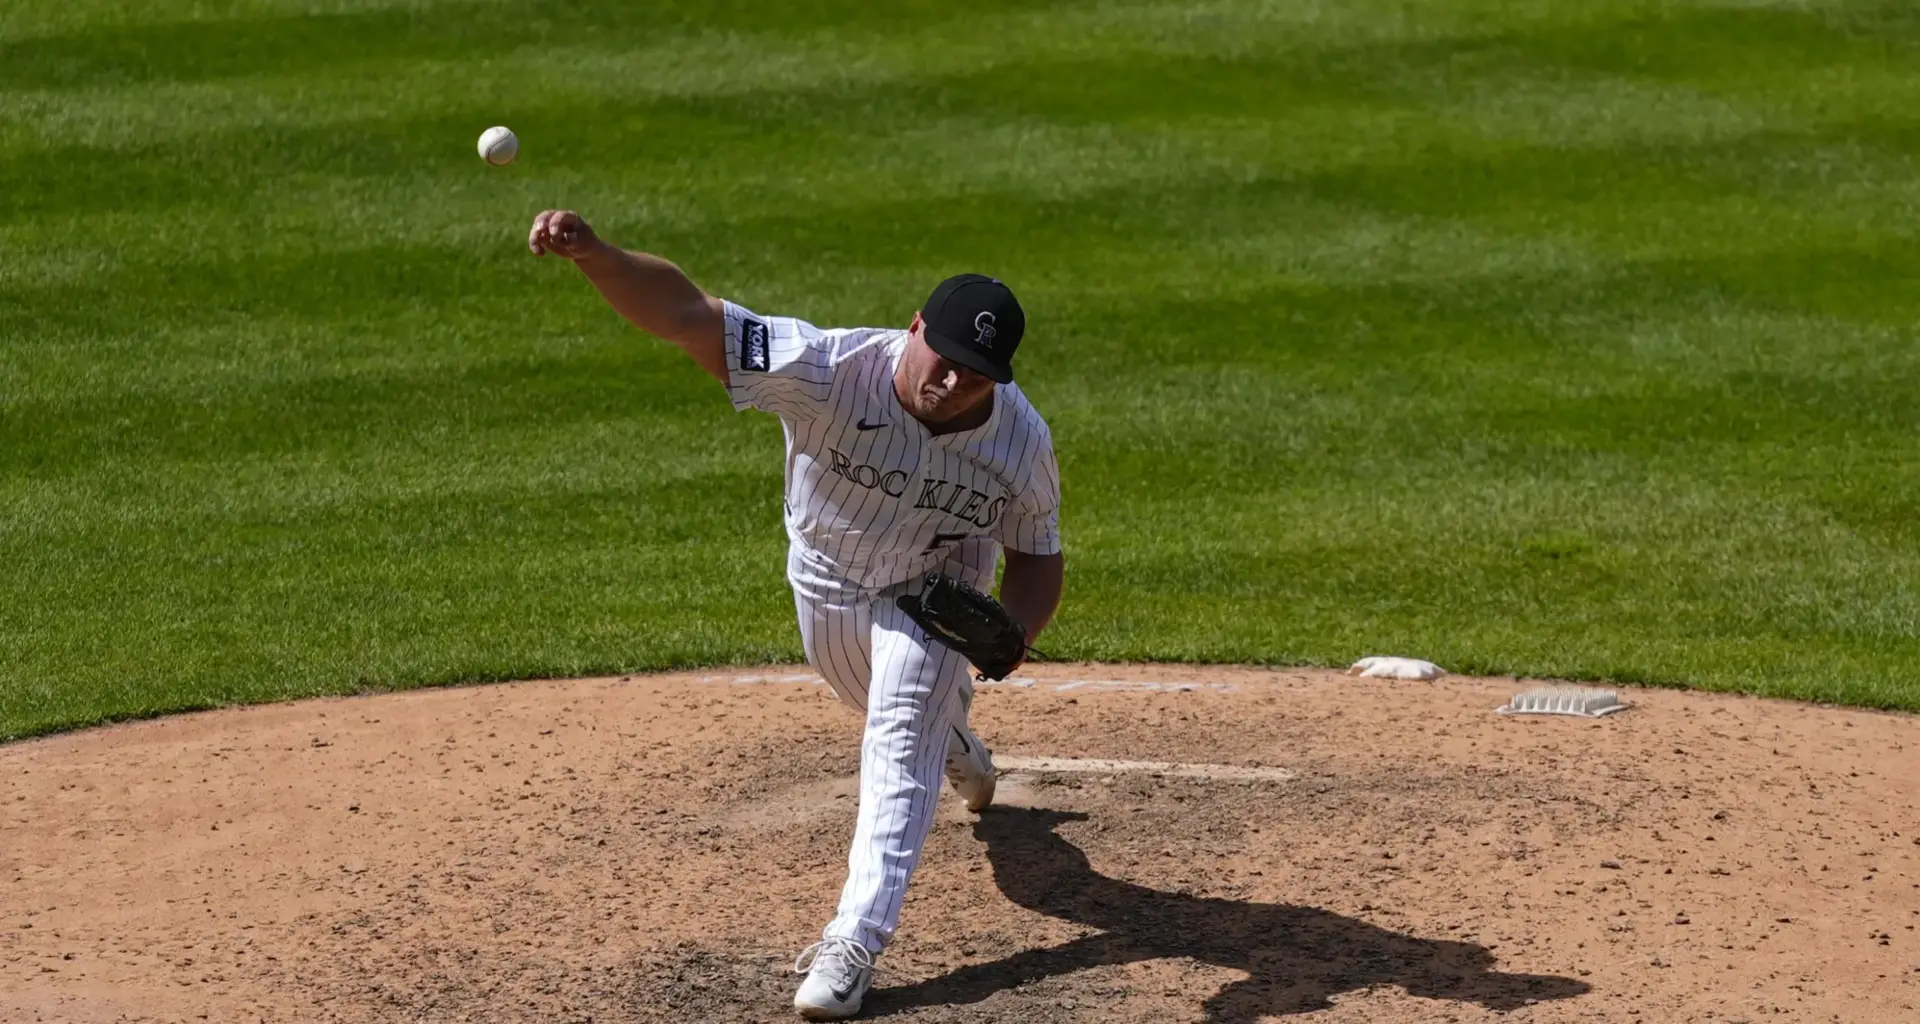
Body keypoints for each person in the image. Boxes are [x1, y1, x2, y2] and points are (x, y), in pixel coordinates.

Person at [528, 210, 1066, 1019]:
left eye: (977, 374)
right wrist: (596, 256)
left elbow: (1038, 556)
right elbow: (687, 316)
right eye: (945, 359)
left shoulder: (1019, 441)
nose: (954, 382)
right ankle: (953, 741)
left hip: (935, 587)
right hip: (827, 585)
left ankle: (855, 941)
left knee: (901, 716)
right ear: (915, 329)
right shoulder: (827, 368)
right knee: (894, 709)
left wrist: (1016, 635)